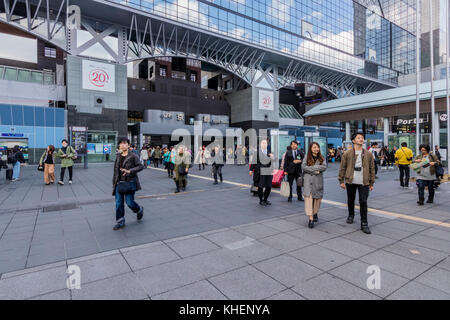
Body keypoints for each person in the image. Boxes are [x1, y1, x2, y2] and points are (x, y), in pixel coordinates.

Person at [338, 132, 375, 234]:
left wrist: (372, 183)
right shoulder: (347, 153)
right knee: (351, 199)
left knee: (363, 201)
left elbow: (372, 168)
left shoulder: (368, 154)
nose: (361, 139)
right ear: (353, 140)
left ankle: (364, 223)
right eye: (359, 138)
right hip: (350, 180)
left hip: (364, 181)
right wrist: (341, 180)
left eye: (362, 138)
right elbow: (342, 167)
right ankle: (351, 215)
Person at [112, 137, 144, 230]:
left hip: (129, 182)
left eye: (125, 143)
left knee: (129, 202)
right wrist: (114, 183)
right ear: (119, 145)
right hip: (119, 183)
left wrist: (130, 171)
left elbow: (140, 166)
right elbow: (115, 170)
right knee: (118, 203)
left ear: (128, 145)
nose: (122, 145)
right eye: (121, 143)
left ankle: (139, 209)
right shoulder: (118, 156)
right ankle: (120, 221)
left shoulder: (133, 156)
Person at [302, 142, 327, 228]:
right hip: (308, 181)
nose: (316, 149)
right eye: (314, 147)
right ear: (311, 148)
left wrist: (311, 168)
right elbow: (303, 167)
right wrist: (315, 170)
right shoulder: (306, 157)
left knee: (317, 200)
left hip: (317, 181)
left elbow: (324, 167)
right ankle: (311, 218)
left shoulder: (321, 157)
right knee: (309, 199)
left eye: (318, 147)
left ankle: (315, 212)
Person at [249, 139, 274, 206]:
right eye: (263, 143)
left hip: (268, 170)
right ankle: (261, 200)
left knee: (269, 186)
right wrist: (251, 170)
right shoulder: (257, 152)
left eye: (265, 143)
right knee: (260, 186)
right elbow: (253, 162)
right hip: (259, 171)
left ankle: (265, 199)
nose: (264, 144)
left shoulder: (270, 152)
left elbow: (272, 162)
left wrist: (272, 158)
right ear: (260, 144)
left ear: (267, 144)